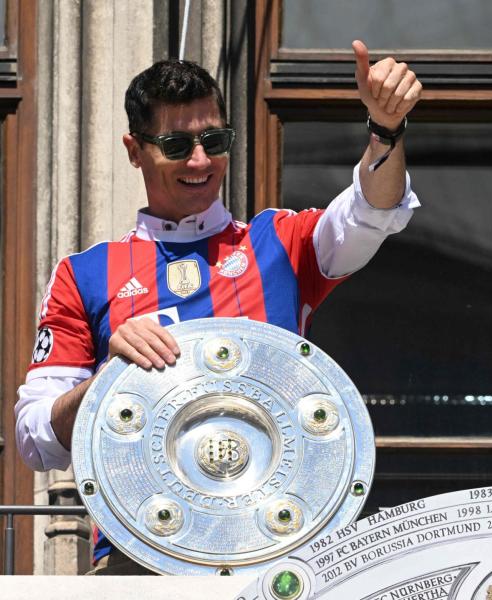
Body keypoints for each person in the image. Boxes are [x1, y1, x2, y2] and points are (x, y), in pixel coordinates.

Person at [14, 41, 422, 573]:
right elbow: (36, 438)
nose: (201, 161)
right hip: (141, 558)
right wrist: (109, 383)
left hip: (276, 553)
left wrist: (385, 130)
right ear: (134, 150)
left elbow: (373, 212)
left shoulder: (278, 241)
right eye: (177, 144)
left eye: (215, 139)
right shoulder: (84, 273)